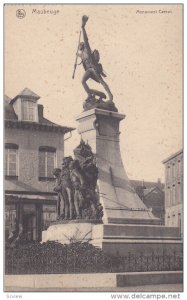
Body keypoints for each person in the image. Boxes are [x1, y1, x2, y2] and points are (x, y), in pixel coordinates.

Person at [78, 15, 113, 101]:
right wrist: (77, 55)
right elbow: (80, 57)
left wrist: (83, 28)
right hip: (88, 70)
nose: (80, 46)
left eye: (81, 45)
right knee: (83, 81)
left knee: (102, 82)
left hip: (93, 68)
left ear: (83, 45)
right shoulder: (82, 54)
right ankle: (90, 95)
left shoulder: (88, 50)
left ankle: (110, 96)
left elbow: (86, 39)